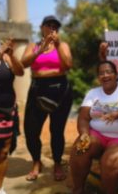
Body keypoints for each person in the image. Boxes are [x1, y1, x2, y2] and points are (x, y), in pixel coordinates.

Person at [70, 60, 118, 194]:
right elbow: (83, 117)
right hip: (97, 135)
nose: (105, 75)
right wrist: (84, 134)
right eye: (101, 73)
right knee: (79, 149)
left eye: (109, 72)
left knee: (110, 161)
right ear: (98, 77)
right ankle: (78, 190)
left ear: (116, 75)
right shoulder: (93, 93)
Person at [21, 15, 73, 181]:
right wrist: (41, 50)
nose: (52, 28)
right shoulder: (33, 45)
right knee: (31, 130)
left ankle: (57, 163)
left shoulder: (62, 45)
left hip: (60, 89)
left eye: (55, 26)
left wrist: (56, 45)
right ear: (42, 27)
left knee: (57, 130)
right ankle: (36, 162)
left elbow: (68, 65)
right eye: (49, 25)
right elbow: (24, 63)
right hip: (37, 89)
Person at [0, 37, 24, 194]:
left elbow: (20, 72)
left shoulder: (5, 57)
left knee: (3, 151)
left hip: (6, 111)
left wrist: (11, 56)